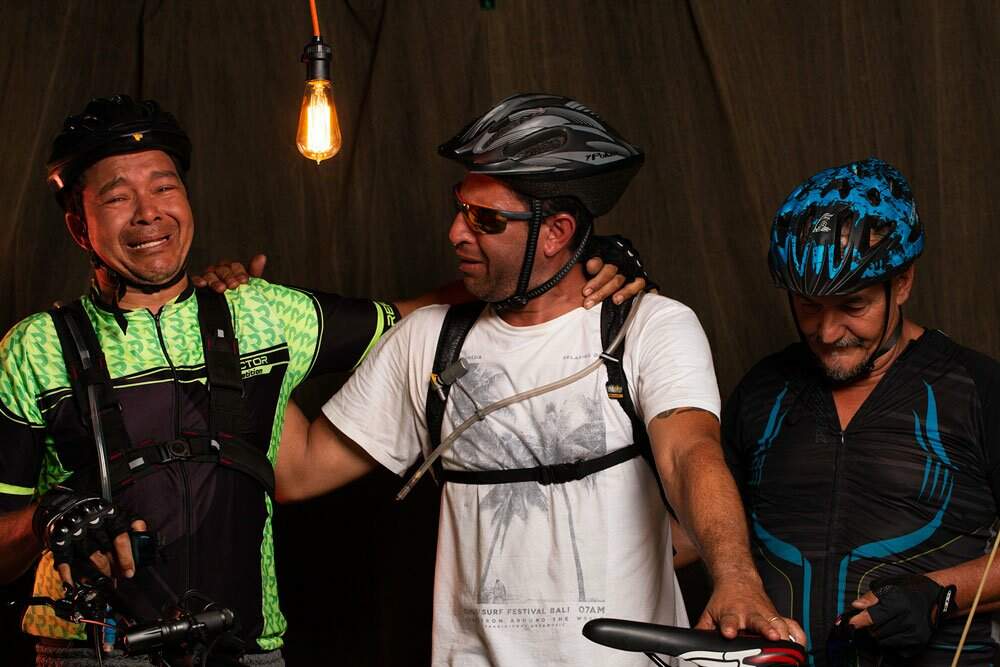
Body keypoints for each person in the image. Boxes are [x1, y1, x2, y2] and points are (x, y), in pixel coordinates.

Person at [0, 94, 639, 666]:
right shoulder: (34, 349)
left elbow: (426, 312)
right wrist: (46, 517)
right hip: (88, 651)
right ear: (78, 224)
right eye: (117, 197)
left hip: (245, 648)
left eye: (164, 188)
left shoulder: (264, 313)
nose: (148, 213)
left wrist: (578, 259)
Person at [274, 93, 804, 665]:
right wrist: (237, 339)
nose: (455, 233)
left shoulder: (648, 326)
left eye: (486, 219)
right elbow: (298, 471)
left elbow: (689, 453)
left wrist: (736, 579)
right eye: (460, 208)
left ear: (556, 232)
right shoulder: (427, 340)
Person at [722, 157, 1000, 666]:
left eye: (853, 306)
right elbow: (692, 530)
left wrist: (938, 593)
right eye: (808, 306)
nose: (828, 333)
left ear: (903, 282)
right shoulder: (763, 390)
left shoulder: (977, 388)